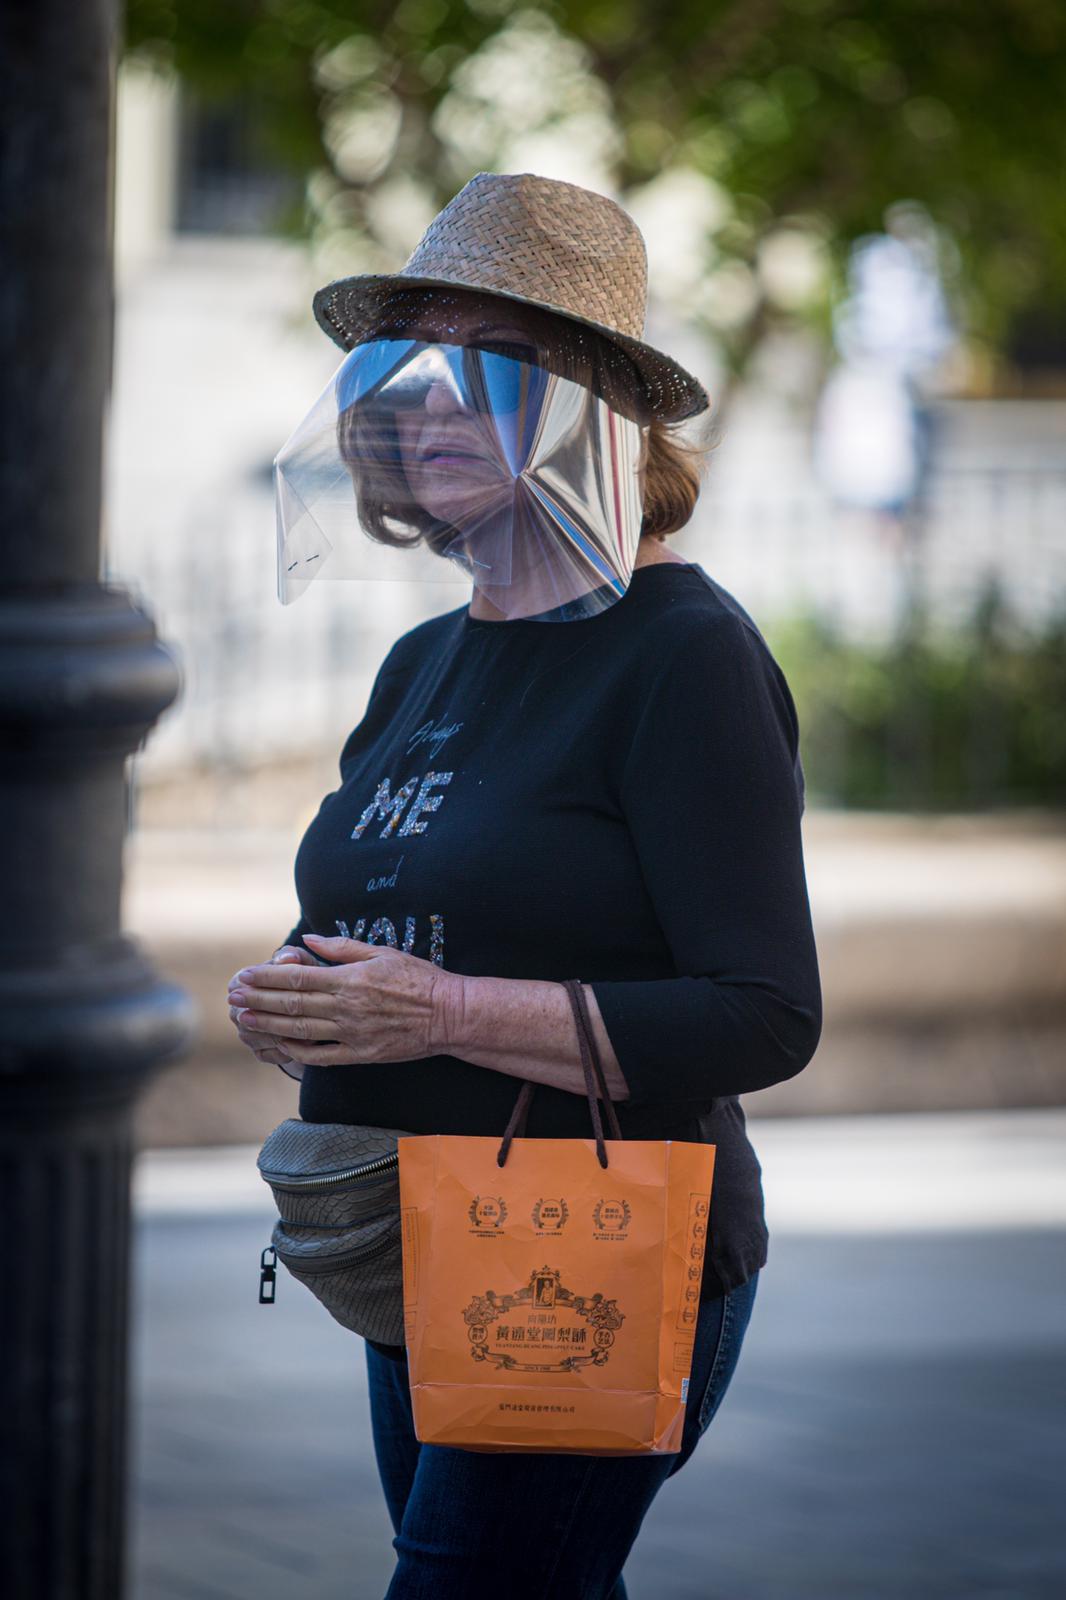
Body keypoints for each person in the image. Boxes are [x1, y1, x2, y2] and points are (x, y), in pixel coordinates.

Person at [226, 171, 821, 1600]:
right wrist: (310, 999)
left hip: (591, 1249)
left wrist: (436, 1010)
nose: (418, 407)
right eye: (398, 372)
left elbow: (761, 1016)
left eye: (472, 369)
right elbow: (403, 918)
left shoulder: (682, 652)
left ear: (580, 405)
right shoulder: (422, 662)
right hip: (406, 1236)